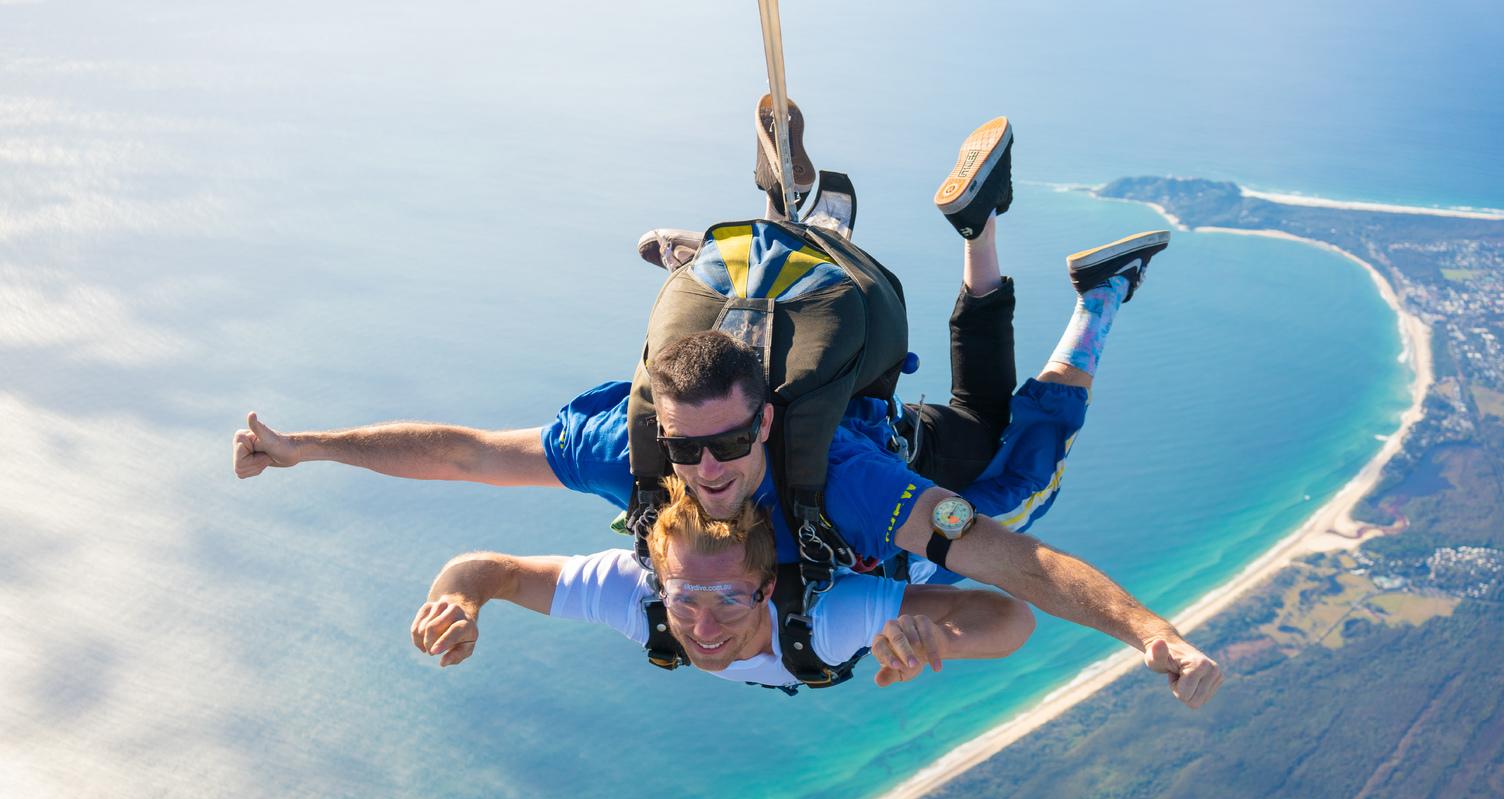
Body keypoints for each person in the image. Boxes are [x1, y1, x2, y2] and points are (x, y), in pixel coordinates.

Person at [235, 110, 1223, 710]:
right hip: (864, 456)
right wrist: (302, 449)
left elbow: (1015, 571)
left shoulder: (832, 491)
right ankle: (770, 237)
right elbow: (461, 459)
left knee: (1014, 472)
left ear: (763, 425)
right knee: (978, 440)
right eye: (685, 448)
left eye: (727, 445)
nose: (706, 469)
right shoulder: (643, 472)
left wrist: (1150, 636)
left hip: (872, 463)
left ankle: (1065, 285)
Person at [410, 477, 1037, 691]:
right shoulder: (636, 594)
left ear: (766, 590)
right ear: (659, 582)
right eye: (684, 598)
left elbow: (1010, 617)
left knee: (1027, 480)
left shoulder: (830, 619)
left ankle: (1094, 300)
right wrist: (458, 602)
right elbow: (491, 571)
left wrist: (937, 636)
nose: (703, 631)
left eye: (730, 599)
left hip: (920, 550)